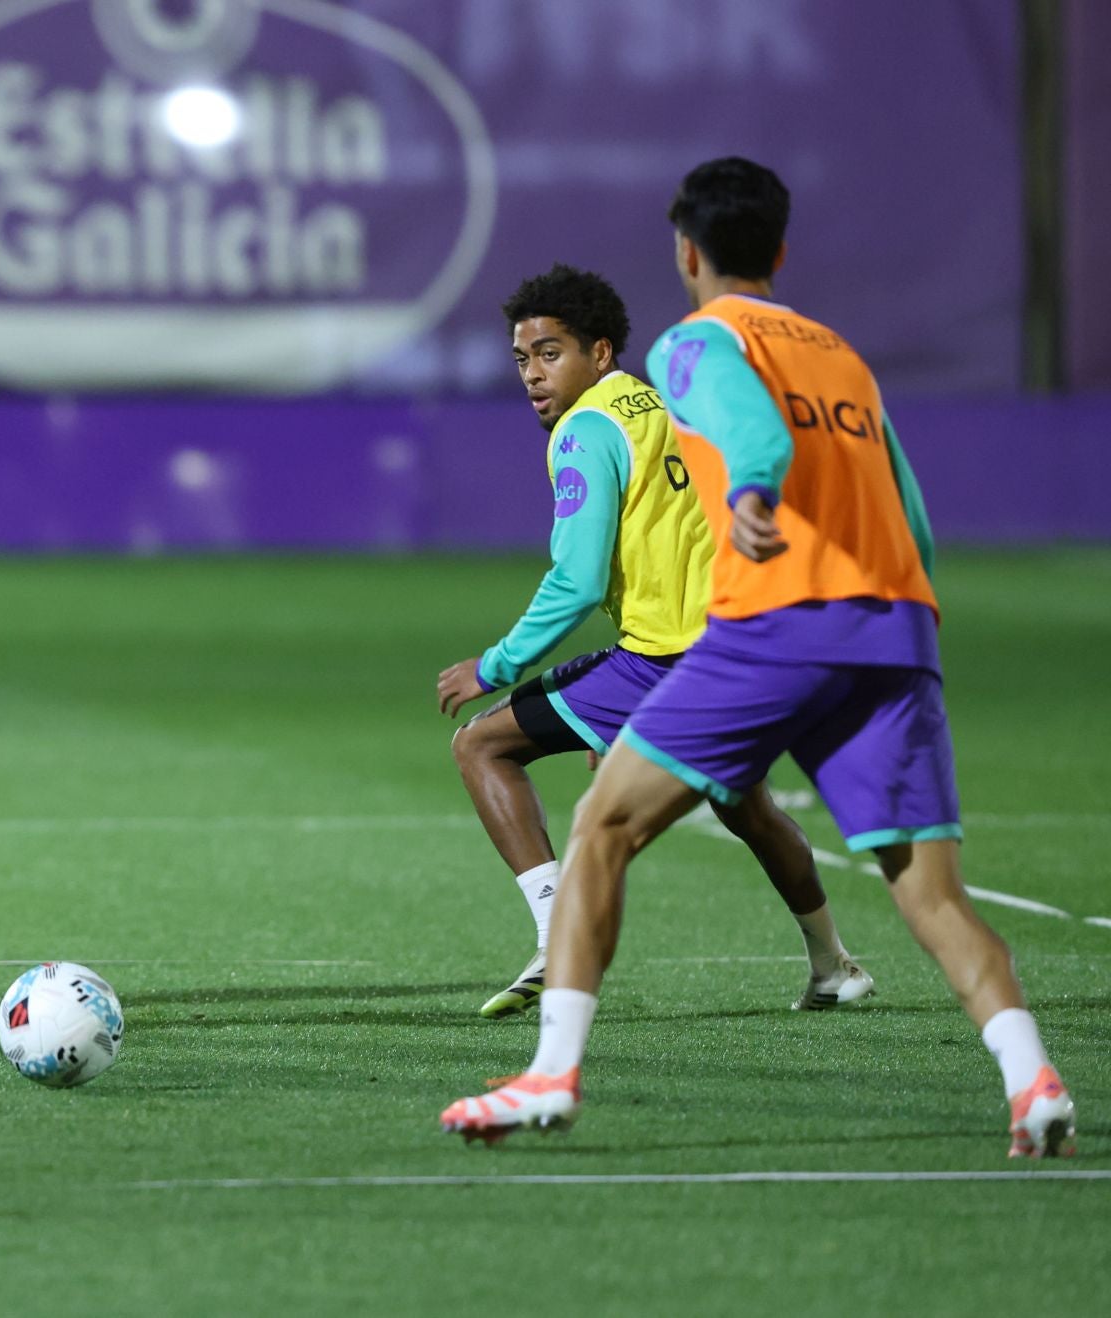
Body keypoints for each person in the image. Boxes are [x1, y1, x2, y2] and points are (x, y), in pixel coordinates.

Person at [441, 158, 1075, 1157]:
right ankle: (1030, 1077)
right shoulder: (839, 353)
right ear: (778, 248)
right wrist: (917, 615)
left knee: (603, 824)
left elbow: (750, 437)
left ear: (687, 251)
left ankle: (551, 1078)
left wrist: (752, 494)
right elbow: (906, 500)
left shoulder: (697, 345)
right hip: (897, 630)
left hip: (779, 625)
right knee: (927, 887)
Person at [441, 264, 869, 1019]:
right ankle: (833, 963)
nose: (533, 376)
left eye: (550, 353)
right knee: (747, 807)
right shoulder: (666, 404)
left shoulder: (585, 432)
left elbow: (574, 582)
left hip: (662, 660)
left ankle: (556, 940)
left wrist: (494, 664)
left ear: (599, 353)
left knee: (482, 745)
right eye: (522, 359)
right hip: (741, 648)